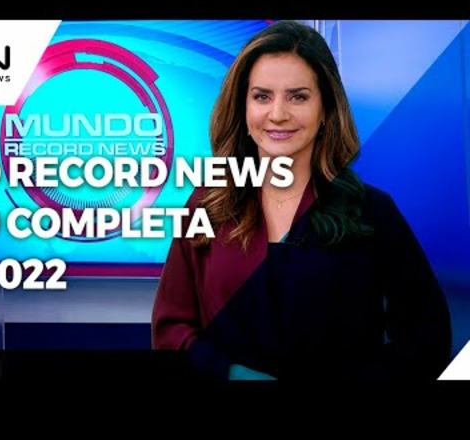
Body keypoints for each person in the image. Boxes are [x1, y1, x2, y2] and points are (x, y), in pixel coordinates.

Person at [151, 20, 452, 380]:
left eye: (298, 97)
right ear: (243, 107)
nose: (278, 114)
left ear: (325, 109)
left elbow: (427, 338)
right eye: (262, 96)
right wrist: (229, 372)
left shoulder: (373, 211)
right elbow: (171, 328)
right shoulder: (206, 205)